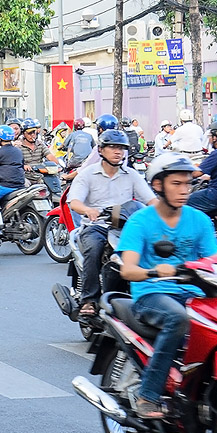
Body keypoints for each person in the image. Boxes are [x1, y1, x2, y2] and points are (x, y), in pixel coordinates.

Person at [116, 152, 217, 418]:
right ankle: (148, 396)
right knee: (177, 320)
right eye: (176, 184)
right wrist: (155, 271)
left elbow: (214, 260)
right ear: (158, 185)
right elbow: (128, 269)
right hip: (152, 295)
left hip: (193, 294)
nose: (184, 190)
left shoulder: (199, 220)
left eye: (187, 184)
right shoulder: (140, 222)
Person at [67, 129, 157, 317]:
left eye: (121, 148)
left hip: (125, 228)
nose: (118, 152)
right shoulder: (87, 174)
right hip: (96, 227)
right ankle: (89, 300)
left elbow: (151, 201)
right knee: (94, 248)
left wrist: (168, 213)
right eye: (113, 147)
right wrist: (88, 210)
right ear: (101, 150)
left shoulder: (131, 175)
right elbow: (74, 201)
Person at [19, 119, 62, 196]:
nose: (32, 135)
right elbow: (14, 162)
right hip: (26, 176)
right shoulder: (18, 146)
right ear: (23, 134)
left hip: (40, 175)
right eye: (29, 133)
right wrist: (23, 165)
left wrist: (57, 165)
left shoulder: (40, 144)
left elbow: (50, 157)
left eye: (34, 132)